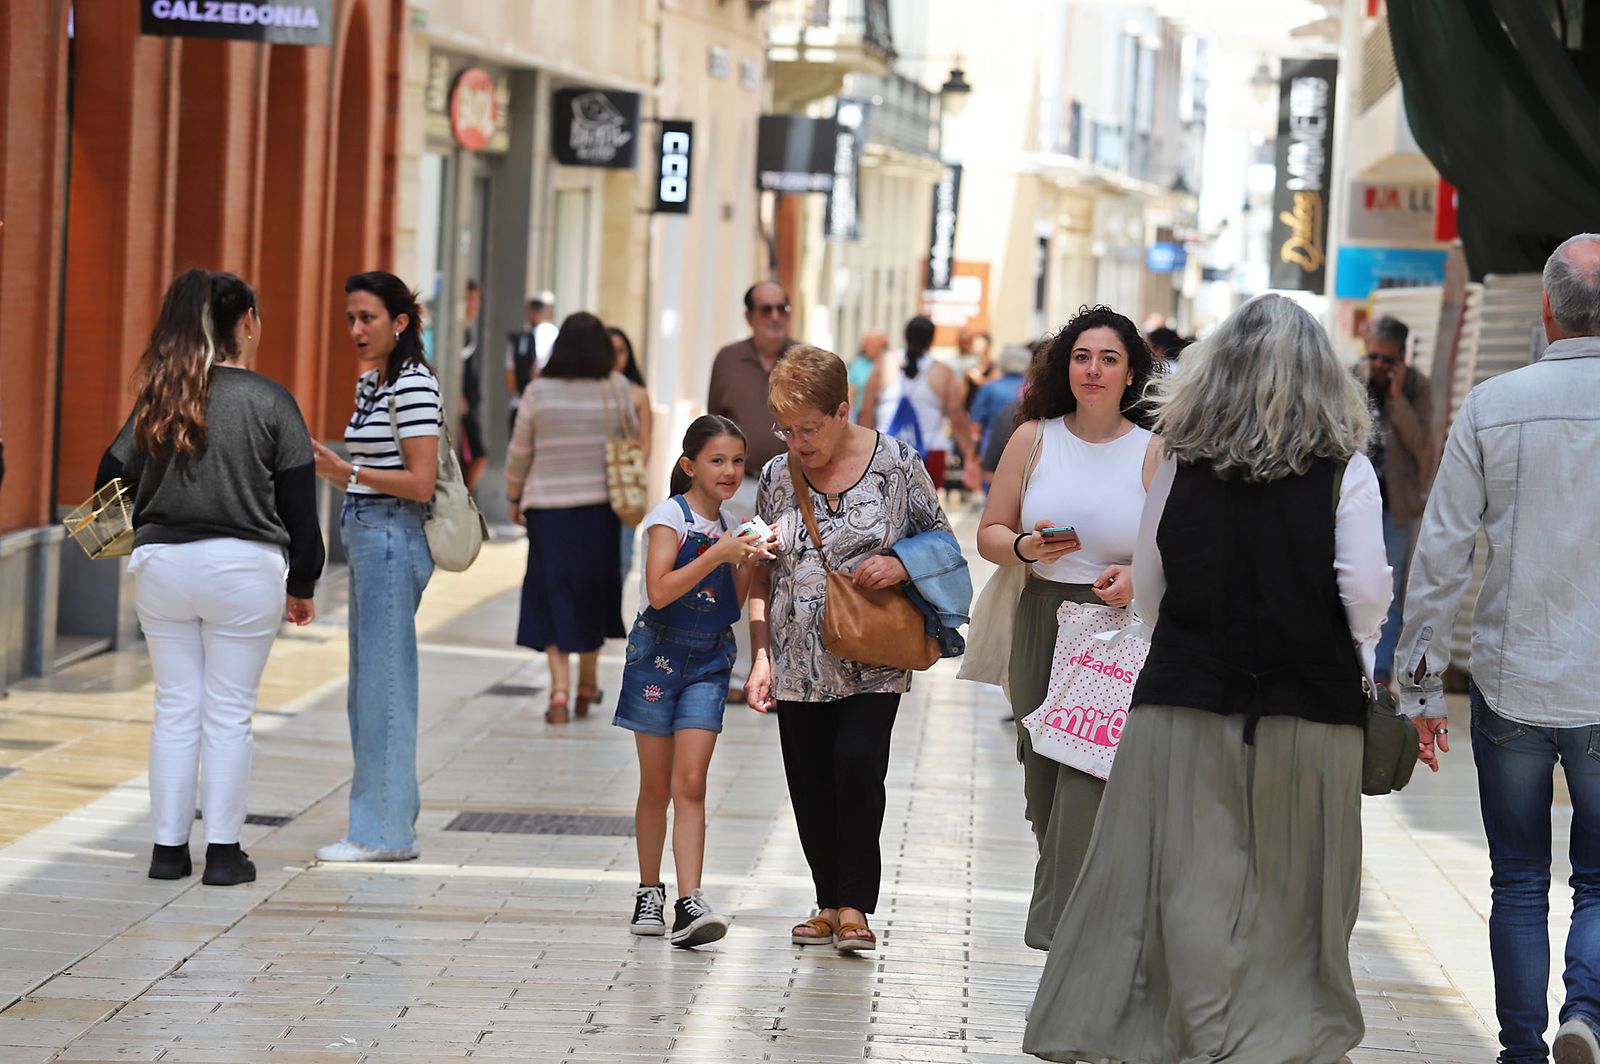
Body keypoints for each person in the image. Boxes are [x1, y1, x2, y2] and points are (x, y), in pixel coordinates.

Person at [1023, 293, 1390, 1064]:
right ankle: (1280, 1029)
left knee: (1189, 878)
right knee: (1295, 887)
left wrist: (1188, 647)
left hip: (1183, 699)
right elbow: (1363, 590)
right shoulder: (1343, 472)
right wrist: (1348, 655)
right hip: (1309, 707)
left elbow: (1152, 579)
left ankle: (1192, 1023)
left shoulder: (1184, 460)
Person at [1396, 233, 1600, 1064]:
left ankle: (1521, 1051)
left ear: (1545, 311)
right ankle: (1585, 1013)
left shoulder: (1492, 404)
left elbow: (1442, 552)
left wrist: (1416, 685)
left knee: (1518, 879)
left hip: (1511, 675)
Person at [97, 269, 322, 885]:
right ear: (245, 321)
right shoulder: (271, 400)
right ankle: (223, 854)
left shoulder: (161, 396)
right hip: (245, 569)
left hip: (164, 565)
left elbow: (107, 481)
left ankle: (167, 852)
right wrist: (303, 584)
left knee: (175, 708)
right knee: (228, 713)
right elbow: (301, 509)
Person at [746, 346, 959, 953]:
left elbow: (942, 542)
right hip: (795, 657)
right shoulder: (775, 476)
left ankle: (856, 905)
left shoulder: (897, 465)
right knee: (809, 778)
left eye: (808, 427)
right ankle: (825, 902)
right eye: (785, 428)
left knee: (858, 765)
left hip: (873, 653)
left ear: (844, 409)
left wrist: (897, 563)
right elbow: (763, 575)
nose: (797, 441)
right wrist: (760, 654)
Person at [975, 306, 1161, 949]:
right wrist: (1027, 547)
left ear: (1131, 371)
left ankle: (1071, 933)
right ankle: (1075, 907)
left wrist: (1138, 577)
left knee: (1092, 773)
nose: (1094, 369)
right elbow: (989, 533)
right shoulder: (1034, 438)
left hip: (1116, 630)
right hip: (1042, 619)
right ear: (1065, 366)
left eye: (1109, 358)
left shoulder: (1152, 449)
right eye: (1083, 356)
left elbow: (1176, 548)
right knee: (1043, 777)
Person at [617, 416, 772, 948]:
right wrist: (720, 552)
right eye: (717, 460)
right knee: (655, 785)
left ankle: (690, 900)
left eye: (736, 461)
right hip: (656, 658)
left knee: (692, 783)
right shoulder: (669, 518)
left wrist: (747, 557)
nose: (730, 471)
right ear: (689, 466)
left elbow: (730, 603)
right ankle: (647, 889)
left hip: (708, 660)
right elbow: (659, 592)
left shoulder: (731, 523)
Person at [311, 271, 442, 864]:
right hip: (366, 531)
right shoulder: (375, 383)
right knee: (369, 688)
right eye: (350, 319)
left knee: (384, 688)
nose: (356, 330)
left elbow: (420, 481)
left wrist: (345, 474)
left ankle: (383, 833)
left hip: (391, 531)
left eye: (367, 318)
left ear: (400, 323)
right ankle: (387, 818)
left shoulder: (414, 385)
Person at [506, 311, 628, 723]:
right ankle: (588, 684)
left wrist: (512, 493)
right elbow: (630, 438)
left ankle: (558, 691)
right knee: (592, 593)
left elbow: (520, 450)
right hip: (600, 509)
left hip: (547, 509)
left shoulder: (538, 391)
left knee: (551, 591)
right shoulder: (615, 388)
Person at [706, 280, 796, 702]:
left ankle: (782, 675)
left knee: (790, 582)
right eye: (766, 309)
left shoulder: (803, 359)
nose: (775, 316)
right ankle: (740, 673)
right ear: (750, 316)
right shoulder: (728, 360)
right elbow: (714, 430)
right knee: (740, 578)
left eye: (782, 307)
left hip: (795, 492)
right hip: (741, 489)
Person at [1361, 314, 1432, 687]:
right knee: (1350, 584)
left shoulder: (1417, 387)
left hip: (1396, 507)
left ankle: (1382, 672)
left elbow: (1420, 442)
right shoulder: (1352, 380)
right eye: (1374, 356)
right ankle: (1353, 664)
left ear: (1401, 359)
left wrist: (1397, 396)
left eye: (1387, 360)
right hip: (1353, 504)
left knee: (1389, 591)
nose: (1378, 365)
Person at [858, 315, 979, 491]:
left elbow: (866, 411)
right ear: (931, 340)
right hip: (930, 452)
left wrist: (863, 449)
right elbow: (956, 414)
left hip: (885, 449)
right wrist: (969, 451)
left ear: (905, 336)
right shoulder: (943, 372)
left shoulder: (884, 364)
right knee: (924, 513)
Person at [610, 326, 654, 580]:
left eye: (620, 351)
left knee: (623, 557)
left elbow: (646, 442)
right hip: (595, 485)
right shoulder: (593, 391)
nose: (615, 357)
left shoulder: (637, 394)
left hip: (626, 484)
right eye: (609, 351)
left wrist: (633, 475)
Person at [505, 290, 558, 433]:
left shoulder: (518, 340)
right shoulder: (557, 336)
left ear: (531, 312)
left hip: (520, 406)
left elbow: (510, 382)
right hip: (548, 408)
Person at [969, 343, 1030, 463]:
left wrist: (972, 453)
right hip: (1026, 444)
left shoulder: (990, 387)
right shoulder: (1032, 388)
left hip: (991, 444)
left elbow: (976, 423)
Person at [458, 279, 487, 492]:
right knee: (476, 456)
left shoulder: (467, 331)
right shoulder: (456, 332)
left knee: (474, 457)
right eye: (471, 298)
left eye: (477, 299)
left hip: (471, 401)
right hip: (461, 404)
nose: (475, 304)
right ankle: (463, 497)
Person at [847, 329, 888, 421]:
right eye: (865, 343)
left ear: (880, 345)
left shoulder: (888, 362)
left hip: (880, 414)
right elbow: (851, 391)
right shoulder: (858, 364)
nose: (866, 347)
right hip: (860, 414)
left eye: (870, 343)